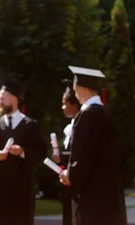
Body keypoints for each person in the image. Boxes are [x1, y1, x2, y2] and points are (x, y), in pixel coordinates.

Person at [58, 66, 127, 225]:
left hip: (91, 198)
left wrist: (70, 175)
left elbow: (82, 157)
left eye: (75, 91)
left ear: (81, 89)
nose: (76, 95)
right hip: (108, 195)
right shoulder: (106, 114)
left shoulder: (87, 115)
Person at [0, 81, 48, 225]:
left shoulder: (30, 125)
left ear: (14, 98)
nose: (0, 102)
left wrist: (23, 152)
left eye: (3, 99)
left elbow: (40, 151)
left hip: (22, 188)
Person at [52, 79, 81, 225]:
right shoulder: (70, 127)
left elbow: (80, 154)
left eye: (65, 104)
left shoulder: (80, 126)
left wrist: (61, 157)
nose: (62, 108)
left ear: (74, 106)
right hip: (67, 183)